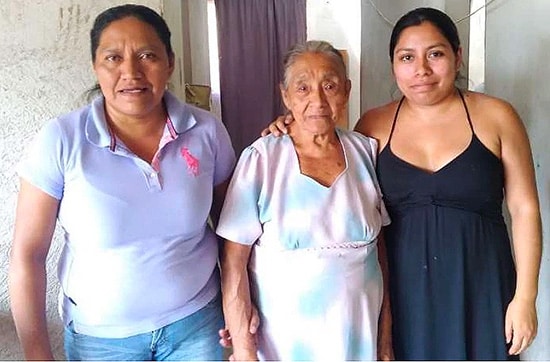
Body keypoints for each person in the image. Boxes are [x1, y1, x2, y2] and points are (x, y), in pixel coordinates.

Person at [261, 7, 542, 361]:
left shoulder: (497, 116)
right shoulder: (374, 126)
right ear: (394, 64)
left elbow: (525, 209)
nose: (421, 70)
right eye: (407, 57)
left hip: (481, 286)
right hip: (403, 293)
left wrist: (525, 298)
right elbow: (330, 164)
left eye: (435, 54)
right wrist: (288, 127)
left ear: (458, 56)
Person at [9, 4, 235, 361]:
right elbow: (27, 255)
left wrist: (240, 310)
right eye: (113, 58)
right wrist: (37, 354)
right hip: (100, 341)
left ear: (170, 62)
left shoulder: (206, 131)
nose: (131, 72)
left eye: (148, 55)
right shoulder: (62, 140)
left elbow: (233, 234)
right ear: (96, 67)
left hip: (197, 329)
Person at [216, 40, 393, 361]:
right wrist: (243, 348)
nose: (318, 100)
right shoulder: (261, 159)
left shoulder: (366, 151)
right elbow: (233, 263)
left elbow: (379, 252)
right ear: (285, 95)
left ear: (347, 91)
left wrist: (385, 340)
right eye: (303, 88)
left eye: (330, 86)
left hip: (358, 335)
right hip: (285, 340)